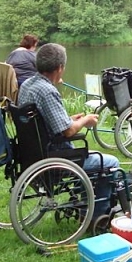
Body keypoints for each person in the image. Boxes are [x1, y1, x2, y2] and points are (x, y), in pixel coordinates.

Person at [17, 43, 120, 175]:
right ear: (60, 68)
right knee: (112, 162)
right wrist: (85, 120)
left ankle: (86, 193)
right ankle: (93, 196)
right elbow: (68, 131)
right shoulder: (47, 91)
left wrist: (69, 119)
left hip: (32, 154)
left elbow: (42, 121)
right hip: (56, 157)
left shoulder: (27, 84)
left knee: (98, 158)